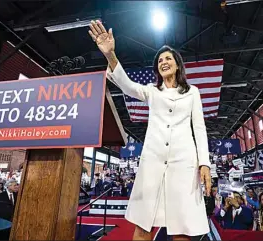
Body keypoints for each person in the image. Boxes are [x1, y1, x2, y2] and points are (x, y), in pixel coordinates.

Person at [88, 20, 212, 240]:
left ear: (177, 65)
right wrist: (110, 55)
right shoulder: (152, 91)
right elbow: (127, 85)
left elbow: (199, 128)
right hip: (152, 163)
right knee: (144, 225)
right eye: (160, 60)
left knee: (182, 228)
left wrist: (204, 163)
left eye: (168, 58)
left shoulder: (193, 92)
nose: (164, 62)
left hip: (184, 164)